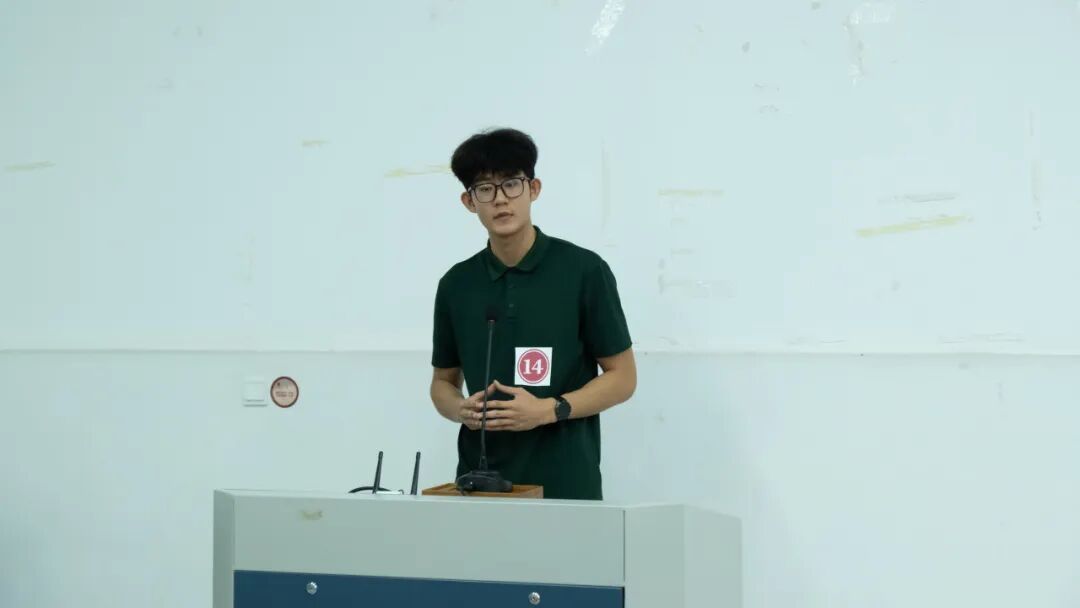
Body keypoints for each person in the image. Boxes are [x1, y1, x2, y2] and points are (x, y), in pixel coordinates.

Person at [428, 127, 637, 500]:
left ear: (534, 189)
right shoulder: (457, 284)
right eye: (485, 189)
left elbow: (623, 377)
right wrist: (460, 409)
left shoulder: (584, 271)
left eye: (512, 184)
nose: (500, 200)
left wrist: (549, 410)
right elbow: (442, 383)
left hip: (565, 485)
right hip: (480, 486)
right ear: (469, 201)